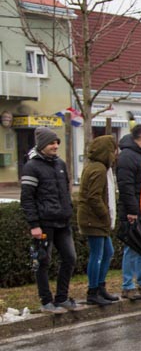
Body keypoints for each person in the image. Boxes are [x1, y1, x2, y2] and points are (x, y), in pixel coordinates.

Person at [20, 127, 76, 313]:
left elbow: (66, 190)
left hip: (63, 221)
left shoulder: (60, 164)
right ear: (42, 145)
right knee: (42, 262)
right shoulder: (31, 167)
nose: (55, 146)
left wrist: (68, 210)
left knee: (70, 258)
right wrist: (34, 225)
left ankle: (62, 298)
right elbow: (27, 198)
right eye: (51, 143)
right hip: (44, 223)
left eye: (57, 143)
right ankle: (46, 301)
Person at [78, 135, 120, 307]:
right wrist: (105, 215)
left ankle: (100, 287)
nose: (115, 154)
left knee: (108, 252)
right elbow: (94, 197)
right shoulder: (99, 170)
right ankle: (93, 290)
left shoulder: (97, 167)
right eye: (113, 150)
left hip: (96, 219)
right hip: (93, 219)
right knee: (97, 254)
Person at [117, 124, 141, 301]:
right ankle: (127, 285)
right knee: (133, 246)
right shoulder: (127, 157)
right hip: (134, 209)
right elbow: (126, 186)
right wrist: (132, 211)